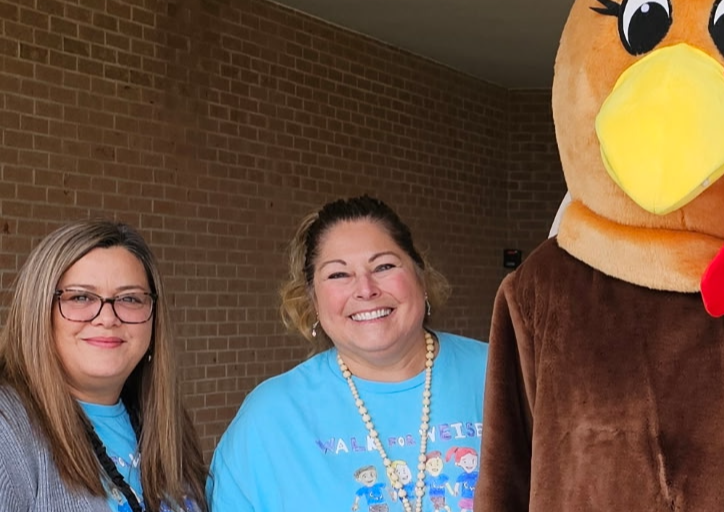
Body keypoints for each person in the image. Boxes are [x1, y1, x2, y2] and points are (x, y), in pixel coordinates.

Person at [209, 196, 487, 512]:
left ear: (421, 278)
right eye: (338, 275)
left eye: (384, 266)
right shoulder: (268, 419)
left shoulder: (504, 375)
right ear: (312, 300)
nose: (366, 289)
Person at [0, 220, 209, 511]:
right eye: (81, 297)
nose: (108, 318)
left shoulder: (164, 425)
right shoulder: (8, 431)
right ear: (39, 311)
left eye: (130, 298)